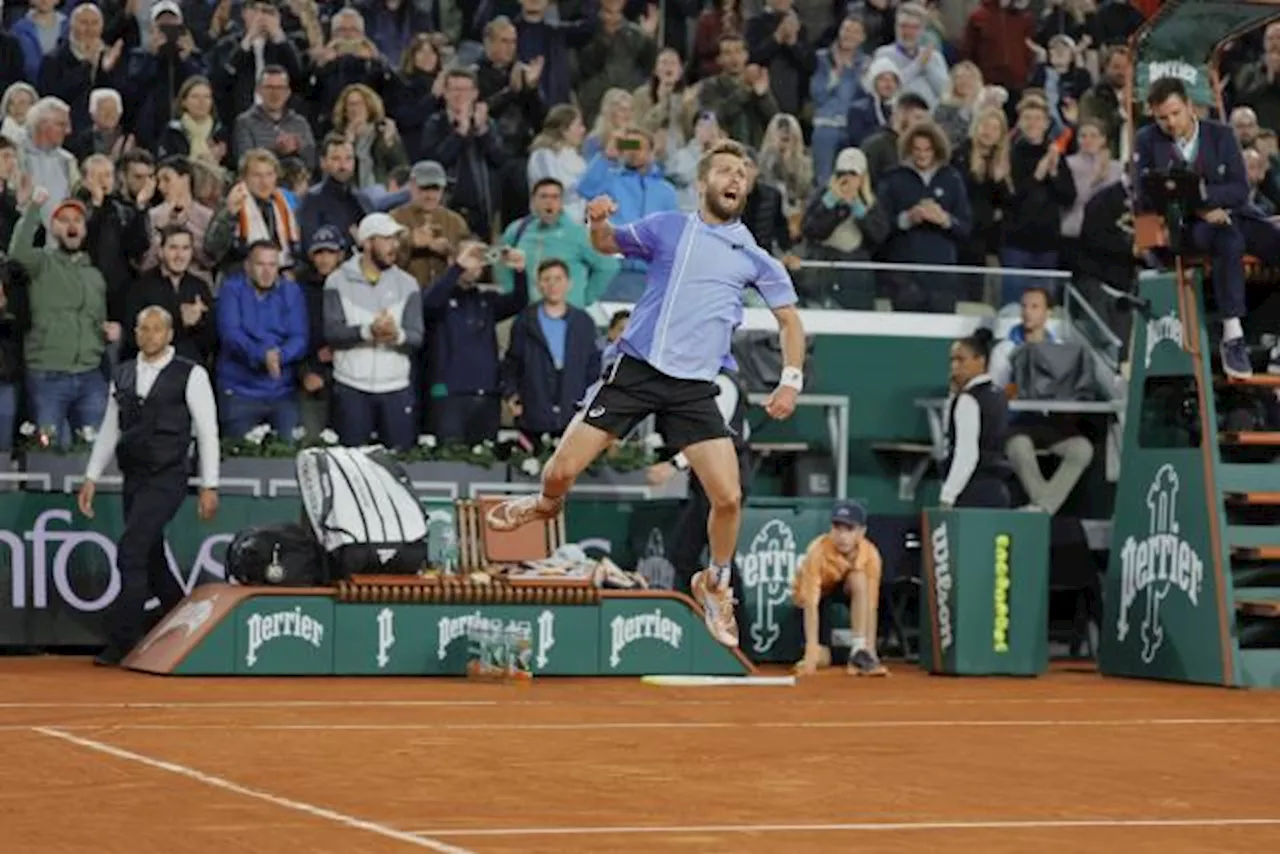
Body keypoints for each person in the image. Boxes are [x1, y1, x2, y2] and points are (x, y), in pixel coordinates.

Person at [484, 139, 807, 649]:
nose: (735, 179)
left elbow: (790, 322)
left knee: (728, 497)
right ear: (702, 183)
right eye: (725, 170)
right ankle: (546, 503)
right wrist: (594, 221)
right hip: (636, 370)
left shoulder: (756, 257)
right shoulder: (668, 226)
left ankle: (715, 582)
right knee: (561, 472)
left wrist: (790, 380)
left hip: (694, 387)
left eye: (742, 174)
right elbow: (607, 244)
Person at [78, 306, 220, 667]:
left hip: (168, 476)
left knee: (131, 550)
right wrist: (92, 475)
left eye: (157, 329)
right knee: (151, 557)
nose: (150, 335)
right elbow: (111, 427)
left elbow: (207, 431)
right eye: (143, 329)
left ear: (170, 334)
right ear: (136, 333)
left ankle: (124, 639)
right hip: (134, 476)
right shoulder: (123, 373)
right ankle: (186, 623)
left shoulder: (191, 374)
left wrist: (209, 484)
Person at [1136, 76, 1280, 379]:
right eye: (1162, 117)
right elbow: (1148, 193)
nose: (1170, 122)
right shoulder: (1147, 140)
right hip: (1188, 226)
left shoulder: (1221, 135)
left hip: (1236, 215)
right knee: (1227, 242)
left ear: (1190, 106)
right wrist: (1200, 208)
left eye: (1175, 113)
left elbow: (1240, 189)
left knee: (1270, 240)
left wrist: (1203, 196)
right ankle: (1233, 336)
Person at [791, 500, 887, 677]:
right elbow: (810, 604)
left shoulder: (871, 555)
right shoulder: (816, 551)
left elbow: (871, 605)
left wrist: (870, 650)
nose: (842, 536)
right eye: (837, 528)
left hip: (845, 590)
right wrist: (811, 650)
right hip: (815, 602)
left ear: (861, 532)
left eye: (849, 530)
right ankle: (826, 653)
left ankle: (858, 651)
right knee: (821, 658)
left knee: (858, 578)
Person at [940, 328, 1010, 509]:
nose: (954, 366)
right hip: (999, 491)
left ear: (980, 361)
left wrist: (948, 495)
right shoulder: (998, 395)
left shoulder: (969, 399)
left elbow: (967, 454)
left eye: (961, 360)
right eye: (952, 360)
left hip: (972, 492)